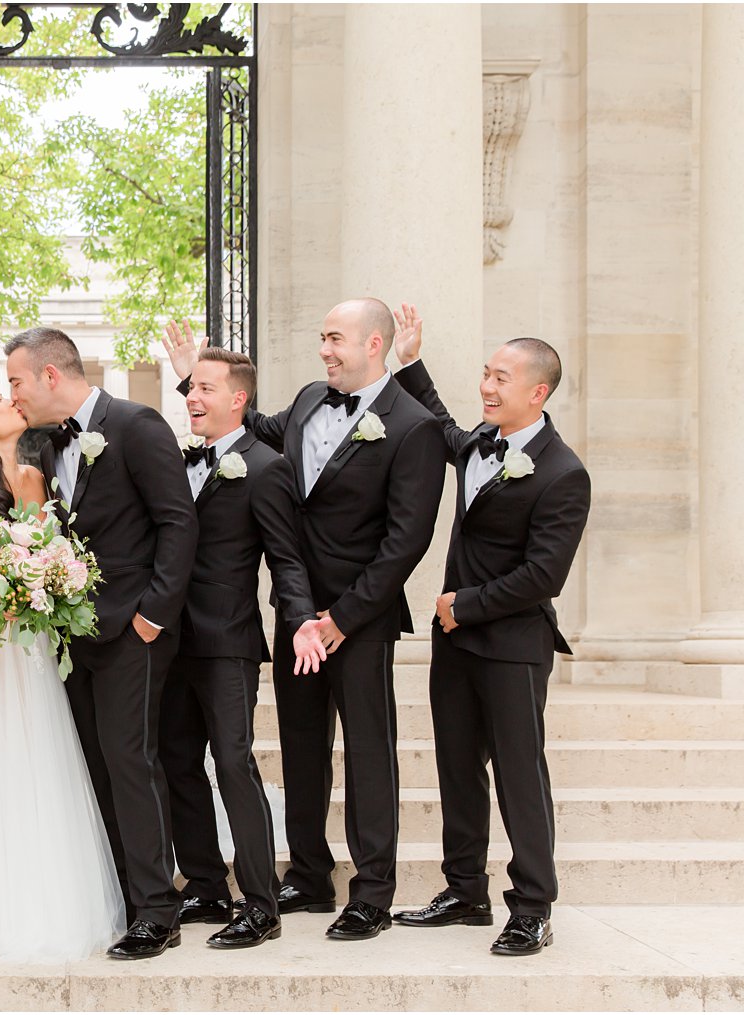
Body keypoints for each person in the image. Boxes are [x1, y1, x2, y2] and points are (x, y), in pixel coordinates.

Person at [163, 298, 446, 942]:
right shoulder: (313, 399)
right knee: (300, 745)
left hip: (359, 617)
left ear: (375, 344)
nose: (324, 349)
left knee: (368, 752)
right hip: (295, 616)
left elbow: (406, 542)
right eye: (322, 337)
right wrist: (193, 383)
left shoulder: (414, 426)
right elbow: (253, 430)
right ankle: (310, 876)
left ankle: (372, 892)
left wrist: (342, 617)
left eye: (335, 339)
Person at [388, 306, 591, 956]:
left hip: (512, 648)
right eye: (485, 373)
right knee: (456, 767)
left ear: (537, 391)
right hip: (456, 646)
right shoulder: (479, 440)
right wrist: (412, 362)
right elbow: (443, 430)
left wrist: (463, 605)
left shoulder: (564, 473)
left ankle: (533, 907)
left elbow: (543, 576)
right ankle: (464, 890)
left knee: (519, 775)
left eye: (501, 377)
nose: (487, 386)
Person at [4, 327, 197, 960]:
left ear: (51, 376)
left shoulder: (137, 425)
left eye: (17, 382)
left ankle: (157, 910)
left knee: (131, 763)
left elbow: (177, 521)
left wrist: (152, 616)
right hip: (74, 634)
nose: (13, 395)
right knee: (96, 768)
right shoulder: (38, 443)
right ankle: (120, 896)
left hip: (132, 632)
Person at [0, 384, 127, 963]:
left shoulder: (33, 474)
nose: (10, 399)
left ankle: (58, 894)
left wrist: (46, 580)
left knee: (47, 751)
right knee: (6, 752)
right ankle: (5, 899)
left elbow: (51, 549)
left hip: (36, 638)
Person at [161, 347, 326, 950]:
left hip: (227, 640)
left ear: (239, 399)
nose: (192, 398)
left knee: (232, 762)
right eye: (189, 388)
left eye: (205, 388)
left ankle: (260, 903)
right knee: (176, 760)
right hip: (169, 640)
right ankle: (205, 882)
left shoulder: (265, 466)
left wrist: (302, 617)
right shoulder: (178, 460)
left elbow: (286, 556)